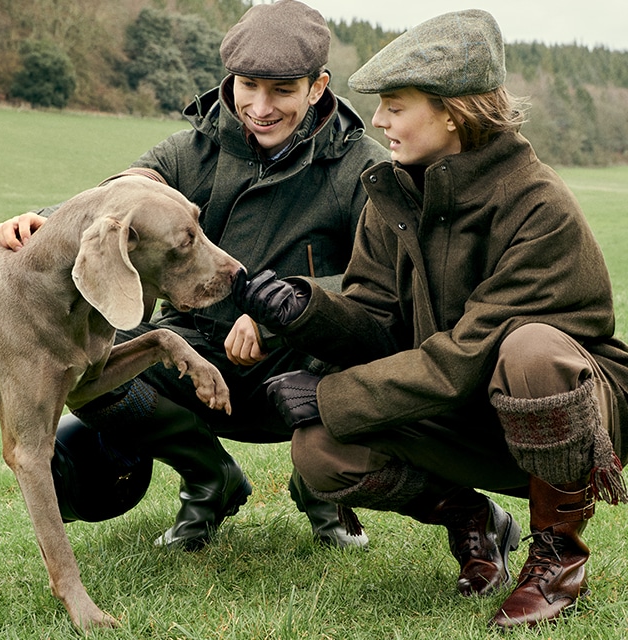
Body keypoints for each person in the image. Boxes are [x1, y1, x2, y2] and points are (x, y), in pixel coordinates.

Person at [233, 8, 628, 629]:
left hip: (569, 411)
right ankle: (473, 520)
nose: (380, 120)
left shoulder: (538, 205)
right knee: (321, 451)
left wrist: (333, 393)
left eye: (396, 104)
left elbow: (470, 354)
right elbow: (375, 319)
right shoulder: (392, 193)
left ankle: (558, 555)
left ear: (454, 110)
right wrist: (308, 309)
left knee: (530, 350)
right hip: (473, 409)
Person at [0, 0, 389, 550]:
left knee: (366, 348)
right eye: (248, 84)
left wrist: (284, 310)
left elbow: (387, 285)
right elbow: (116, 199)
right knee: (94, 354)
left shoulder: (362, 167)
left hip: (301, 358)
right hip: (197, 347)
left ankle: (322, 489)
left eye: (282, 90)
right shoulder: (190, 150)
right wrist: (43, 220)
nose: (260, 106)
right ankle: (209, 479)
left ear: (318, 87)